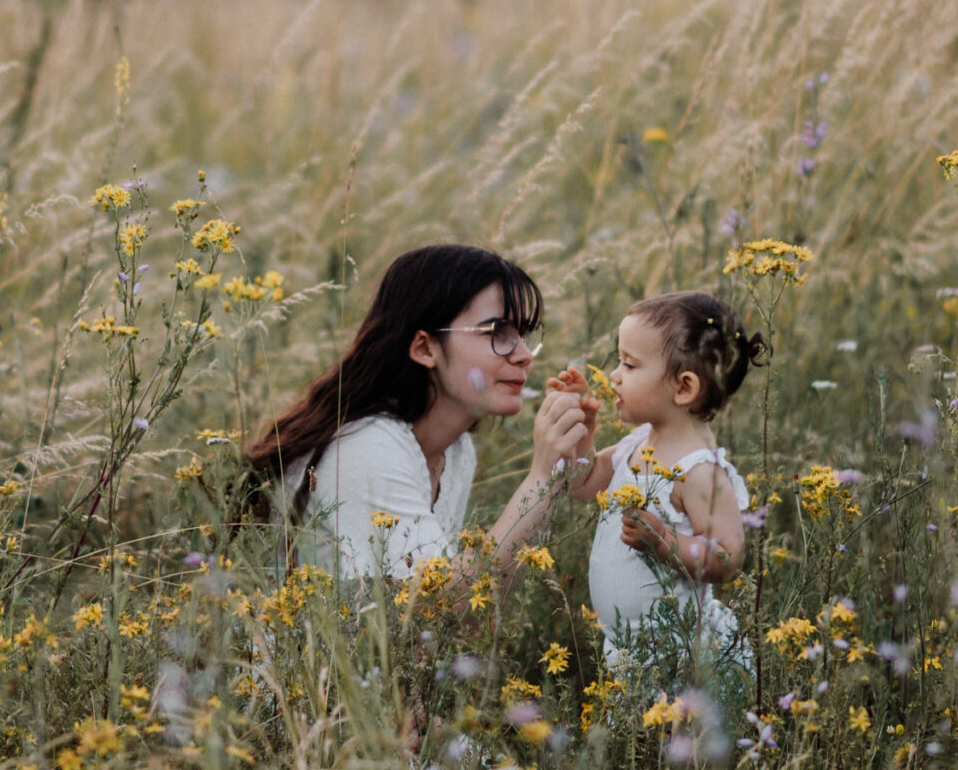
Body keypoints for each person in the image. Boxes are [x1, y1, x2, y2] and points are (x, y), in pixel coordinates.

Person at [245, 244, 596, 580]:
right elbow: (442, 609)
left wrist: (569, 465)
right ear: (425, 348)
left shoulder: (456, 451)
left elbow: (429, 627)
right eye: (496, 332)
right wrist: (541, 479)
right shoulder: (368, 449)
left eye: (523, 334)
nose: (524, 355)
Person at [558, 290, 764, 663]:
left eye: (630, 366)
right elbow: (582, 483)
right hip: (628, 651)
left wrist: (666, 541)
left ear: (683, 388)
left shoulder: (699, 470)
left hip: (679, 653)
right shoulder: (636, 444)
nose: (614, 377)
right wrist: (584, 429)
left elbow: (728, 557)